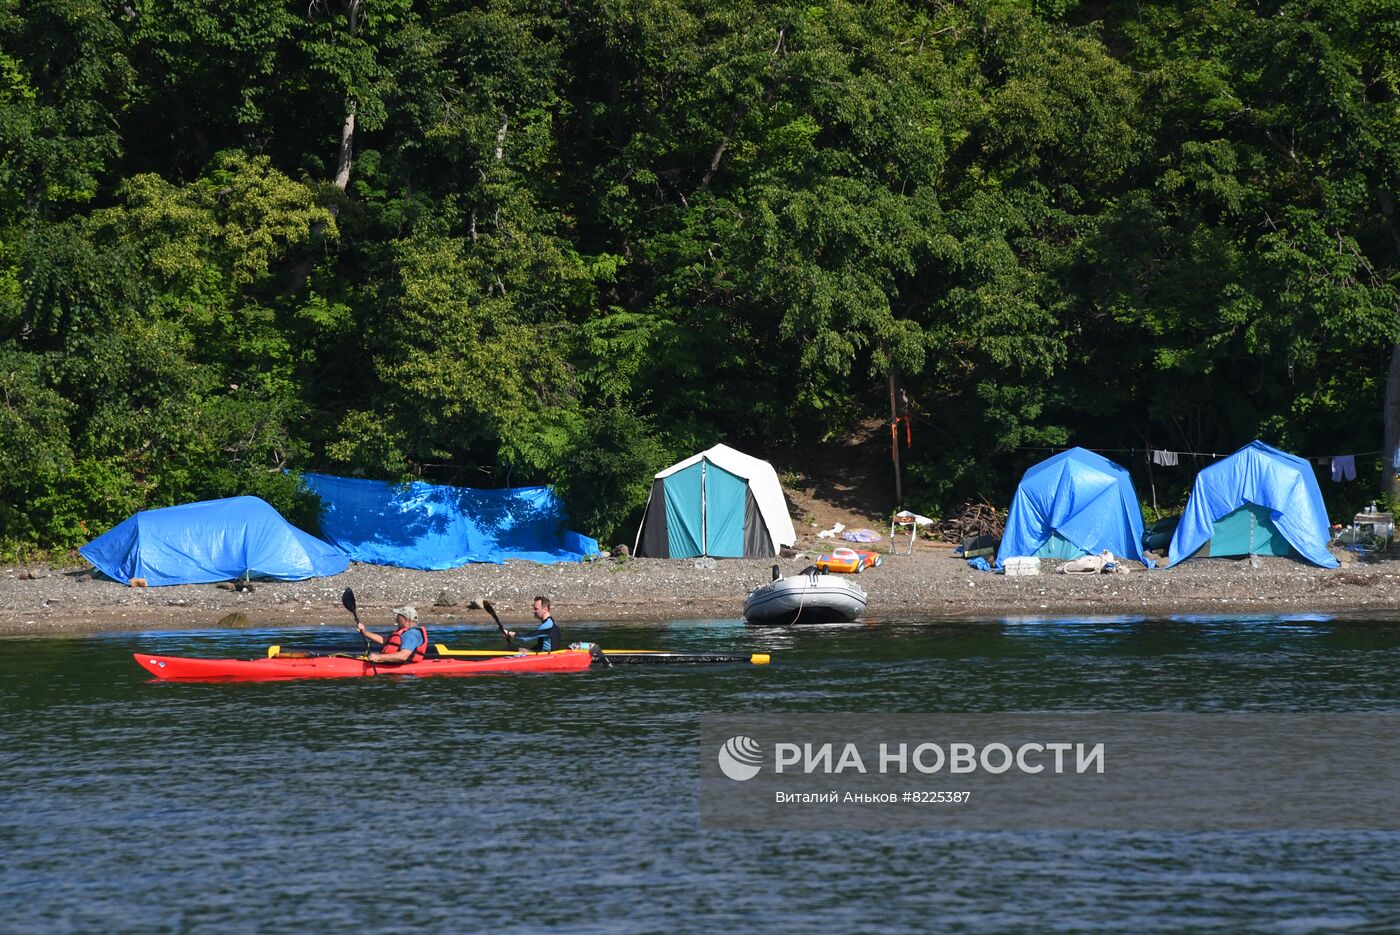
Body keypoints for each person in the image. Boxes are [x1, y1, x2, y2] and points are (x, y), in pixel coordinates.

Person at [357, 606, 428, 663]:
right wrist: (364, 632)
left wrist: (378, 657)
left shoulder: (411, 635)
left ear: (405, 619)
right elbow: (383, 640)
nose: (396, 619)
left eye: (398, 617)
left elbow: (403, 656)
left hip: (405, 671)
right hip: (393, 663)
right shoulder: (403, 631)